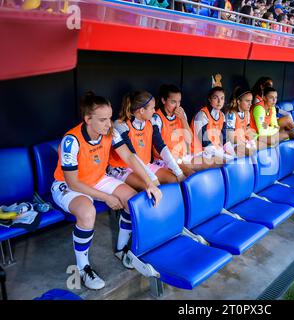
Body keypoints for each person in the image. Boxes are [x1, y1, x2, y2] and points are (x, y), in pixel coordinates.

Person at [52, 92, 162, 290]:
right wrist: (107, 197)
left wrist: (149, 183)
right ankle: (83, 268)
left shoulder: (110, 131)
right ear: (88, 119)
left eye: (109, 118)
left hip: (97, 179)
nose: (107, 123)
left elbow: (129, 157)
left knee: (132, 201)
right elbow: (73, 182)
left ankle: (121, 249)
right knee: (87, 213)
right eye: (102, 120)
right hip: (68, 185)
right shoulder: (71, 140)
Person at [108, 91, 186, 191]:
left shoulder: (151, 121)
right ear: (141, 110)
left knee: (174, 180)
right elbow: (132, 156)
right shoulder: (121, 125)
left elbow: (161, 147)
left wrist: (178, 172)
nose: (154, 111)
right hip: (122, 167)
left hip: (144, 165)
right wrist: (151, 178)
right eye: (152, 108)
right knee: (152, 186)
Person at [152, 85, 219, 176]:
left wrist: (183, 119)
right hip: (165, 160)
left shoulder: (181, 113)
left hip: (182, 157)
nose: (177, 106)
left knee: (214, 164)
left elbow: (189, 139)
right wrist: (173, 158)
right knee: (191, 175)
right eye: (173, 102)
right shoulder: (156, 118)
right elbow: (156, 150)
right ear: (163, 100)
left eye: (179, 102)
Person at [191, 86, 235, 162]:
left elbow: (225, 139)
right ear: (209, 99)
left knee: (235, 160)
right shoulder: (201, 115)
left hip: (213, 152)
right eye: (215, 98)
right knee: (226, 163)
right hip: (198, 153)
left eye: (222, 98)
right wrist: (224, 157)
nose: (219, 101)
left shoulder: (222, 115)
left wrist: (234, 155)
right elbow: (205, 143)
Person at [225, 87, 258, 157]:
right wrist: (244, 142)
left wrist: (253, 138)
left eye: (251, 101)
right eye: (247, 101)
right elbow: (230, 138)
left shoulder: (247, 113)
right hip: (232, 145)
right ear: (238, 101)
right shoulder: (231, 114)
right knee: (252, 153)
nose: (250, 104)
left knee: (258, 147)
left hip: (243, 142)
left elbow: (248, 130)